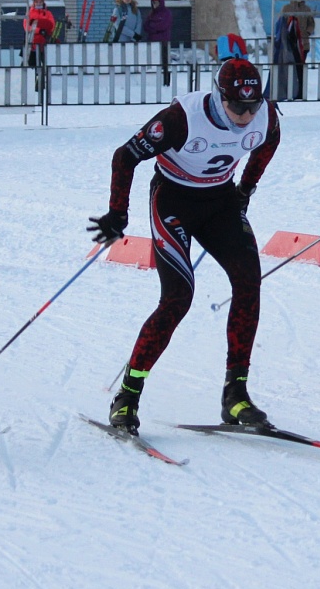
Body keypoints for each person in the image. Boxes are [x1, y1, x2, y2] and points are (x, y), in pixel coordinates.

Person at [89, 58, 282, 432]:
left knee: (248, 282)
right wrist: (117, 214)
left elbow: (268, 143)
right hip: (173, 201)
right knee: (178, 298)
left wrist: (246, 187)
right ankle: (127, 397)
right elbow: (125, 156)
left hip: (220, 202)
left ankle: (235, 395)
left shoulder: (265, 117)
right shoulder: (181, 119)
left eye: (252, 106)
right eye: (237, 107)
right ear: (218, 95)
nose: (245, 115)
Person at [273, 0, 312, 100]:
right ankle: (289, 91)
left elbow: (311, 23)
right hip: (289, 44)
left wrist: (307, 32)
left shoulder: (307, 9)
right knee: (289, 68)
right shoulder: (286, 8)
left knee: (300, 68)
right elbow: (281, 23)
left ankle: (300, 92)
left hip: (303, 44)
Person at [23, 0, 56, 68]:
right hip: (32, 39)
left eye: (40, 2)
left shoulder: (48, 13)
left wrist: (46, 31)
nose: (38, 4)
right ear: (34, 3)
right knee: (31, 62)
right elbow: (27, 26)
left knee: (45, 60)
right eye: (36, 2)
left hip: (45, 39)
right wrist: (38, 30)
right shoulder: (30, 13)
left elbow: (52, 24)